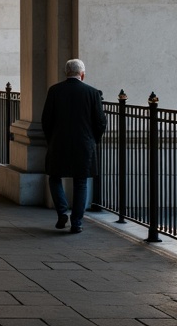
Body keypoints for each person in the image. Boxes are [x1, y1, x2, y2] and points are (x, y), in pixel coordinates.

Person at [41, 57, 106, 234]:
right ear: (82, 75)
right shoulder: (92, 93)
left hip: (58, 142)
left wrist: (51, 139)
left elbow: (46, 120)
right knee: (81, 182)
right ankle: (77, 222)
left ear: (66, 73)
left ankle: (62, 211)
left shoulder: (54, 91)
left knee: (54, 178)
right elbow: (100, 122)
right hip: (84, 144)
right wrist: (94, 140)